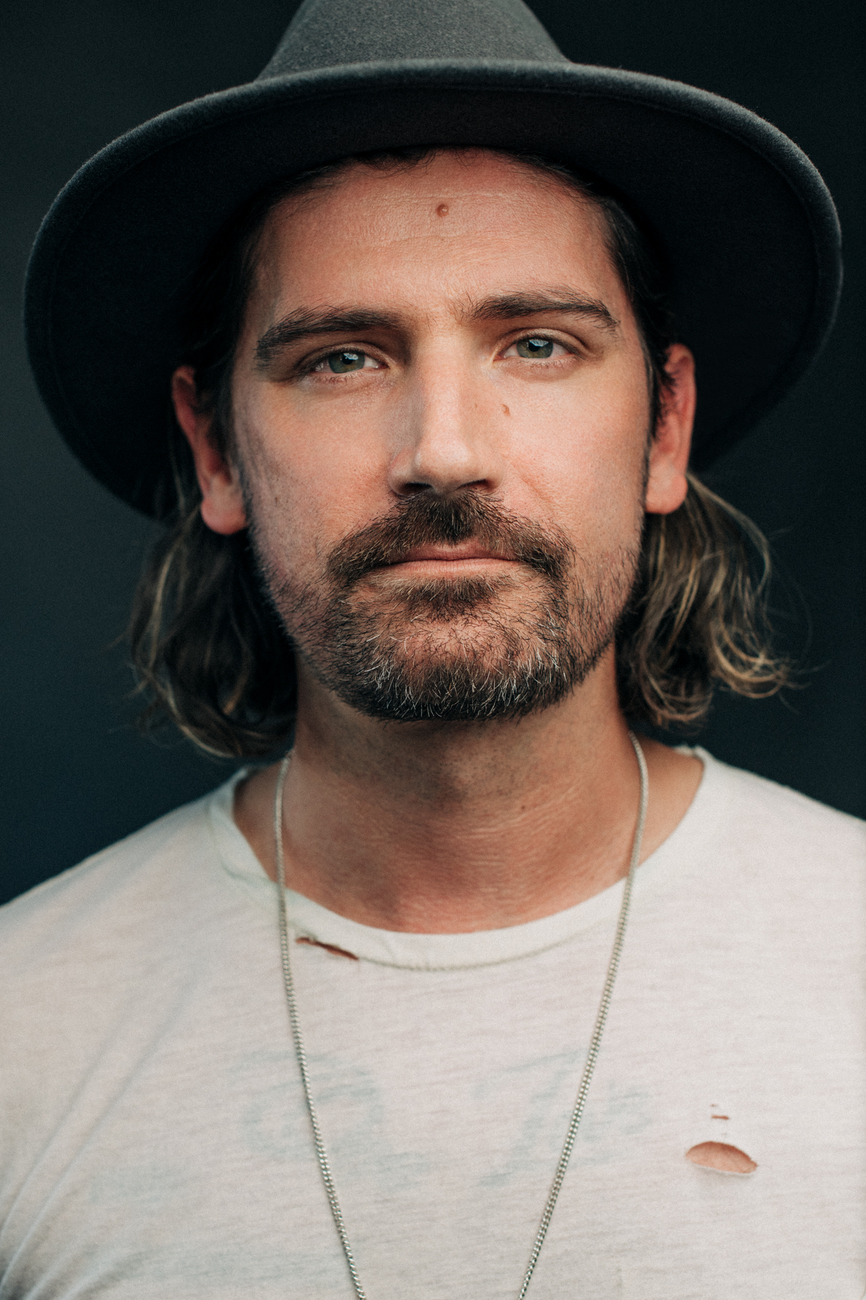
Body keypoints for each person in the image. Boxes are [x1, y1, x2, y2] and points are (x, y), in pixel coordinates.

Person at [3, 0, 863, 1296]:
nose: (444, 453)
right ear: (216, 450)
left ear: (664, 426)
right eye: (341, 358)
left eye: (537, 345)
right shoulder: (26, 1033)